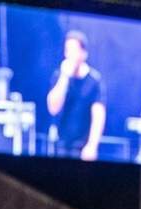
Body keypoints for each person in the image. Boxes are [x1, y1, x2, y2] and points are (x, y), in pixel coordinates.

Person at [45, 29, 106, 161]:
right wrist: (64, 77)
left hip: (84, 147)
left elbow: (98, 116)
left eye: (74, 50)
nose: (70, 55)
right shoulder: (59, 76)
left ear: (84, 54)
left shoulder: (94, 80)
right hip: (60, 145)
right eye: (68, 50)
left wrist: (92, 145)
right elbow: (53, 108)